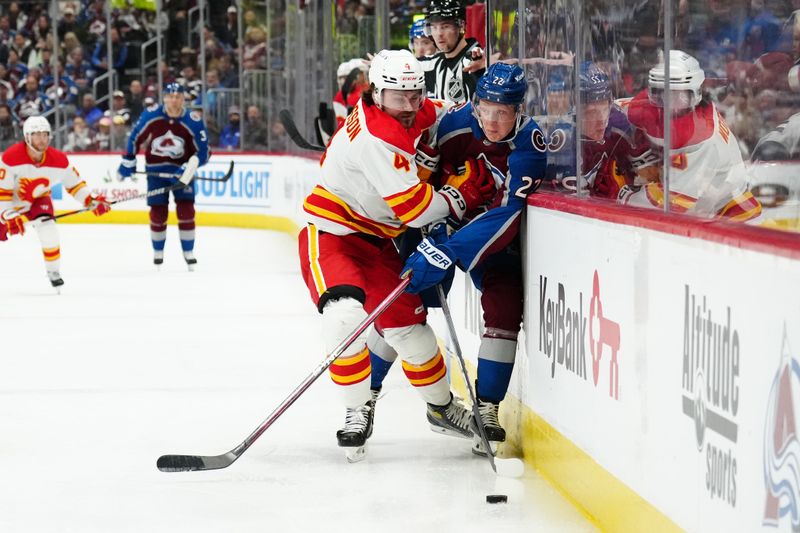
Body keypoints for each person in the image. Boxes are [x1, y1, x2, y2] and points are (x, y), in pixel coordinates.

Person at [299, 49, 495, 461]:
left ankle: (442, 409)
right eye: (399, 97)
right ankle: (356, 410)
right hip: (331, 236)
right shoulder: (377, 134)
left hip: (377, 241)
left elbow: (443, 111)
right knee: (345, 318)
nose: (409, 106)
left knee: (411, 330)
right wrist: (461, 196)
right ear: (376, 92)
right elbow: (415, 210)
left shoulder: (410, 106)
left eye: (415, 95)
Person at [375, 63, 547, 456]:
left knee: (505, 308)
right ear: (476, 103)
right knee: (403, 301)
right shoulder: (453, 123)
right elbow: (420, 178)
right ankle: (366, 397)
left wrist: (450, 249)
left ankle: (487, 409)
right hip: (440, 225)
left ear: (519, 110)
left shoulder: (529, 146)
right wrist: (428, 223)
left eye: (503, 112)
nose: (493, 120)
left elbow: (506, 215)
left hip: (489, 239)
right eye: (486, 109)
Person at [619, 50, 762, 221]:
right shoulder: (658, 108)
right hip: (703, 202)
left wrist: (623, 196)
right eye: (663, 94)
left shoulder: (700, 138)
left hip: (726, 214)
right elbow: (620, 109)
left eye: (679, 97)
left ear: (695, 94)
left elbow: (672, 203)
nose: (670, 105)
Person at [0, 116, 110, 288]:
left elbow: (75, 184)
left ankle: (53, 271)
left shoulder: (59, 160)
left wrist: (90, 200)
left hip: (38, 200)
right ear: (27, 136)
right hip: (10, 202)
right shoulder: (11, 157)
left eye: (45, 135)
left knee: (49, 230)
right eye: (37, 135)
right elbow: (2, 192)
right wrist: (7, 214)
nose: (42, 139)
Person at [117, 82, 210, 269]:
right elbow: (135, 136)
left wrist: (189, 166)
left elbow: (204, 152)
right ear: (165, 98)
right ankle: (158, 252)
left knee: (186, 211)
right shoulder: (152, 115)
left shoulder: (193, 119)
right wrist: (129, 160)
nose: (174, 101)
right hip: (156, 172)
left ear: (183, 99)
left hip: (182, 173)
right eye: (170, 96)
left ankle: (188, 252)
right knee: (158, 212)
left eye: (178, 97)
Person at [421, 0, 485, 103]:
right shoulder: (433, 63)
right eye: (434, 27)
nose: (439, 34)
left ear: (461, 26)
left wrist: (481, 73)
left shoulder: (476, 59)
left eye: (445, 26)